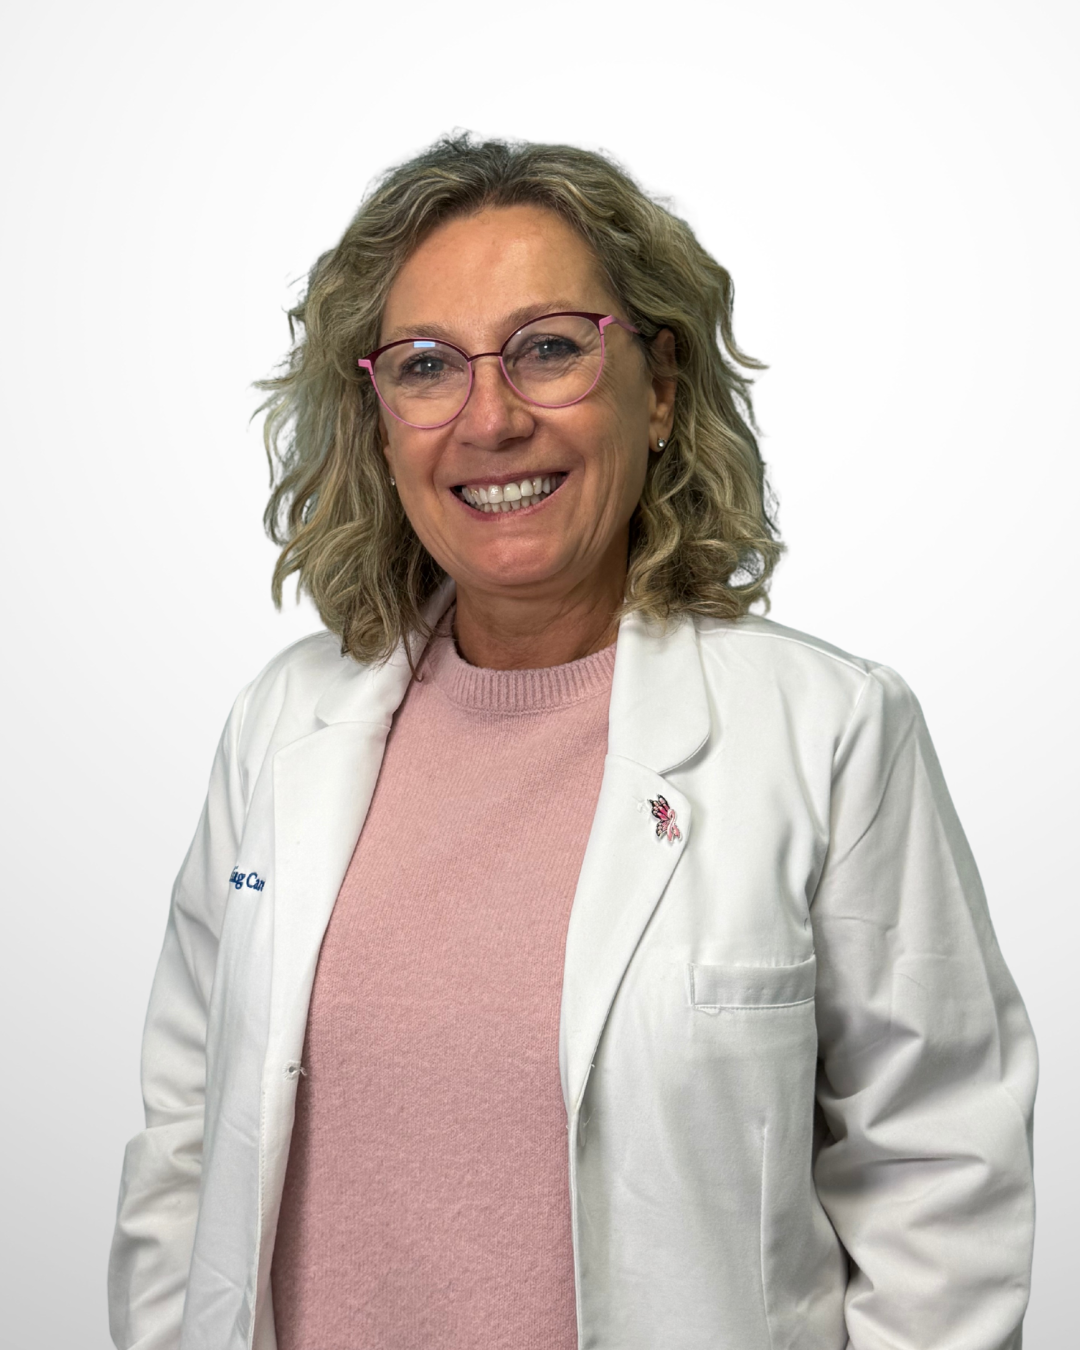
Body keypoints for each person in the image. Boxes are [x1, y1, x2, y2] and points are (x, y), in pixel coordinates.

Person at [108, 135, 1037, 1350]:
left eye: (548, 349)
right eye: (429, 367)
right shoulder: (281, 727)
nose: (490, 420)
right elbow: (187, 1146)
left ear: (657, 388)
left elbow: (941, 1186)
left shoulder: (832, 735)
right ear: (378, 421)